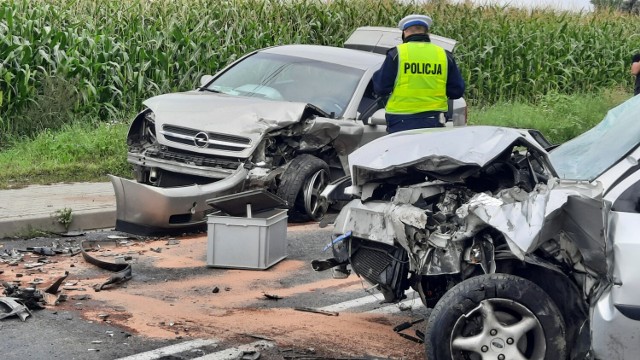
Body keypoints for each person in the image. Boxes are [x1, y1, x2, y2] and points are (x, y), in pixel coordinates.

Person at [372, 14, 465, 133]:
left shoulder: (397, 54)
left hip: (401, 120)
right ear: (426, 33)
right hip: (434, 120)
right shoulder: (444, 55)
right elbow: (457, 91)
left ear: (405, 33)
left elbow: (381, 88)